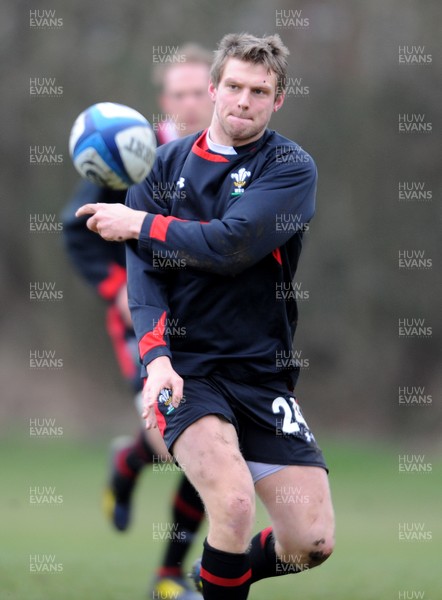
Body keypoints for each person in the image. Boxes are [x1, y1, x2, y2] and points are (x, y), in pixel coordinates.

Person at [76, 32, 335, 600]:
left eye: (259, 91)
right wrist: (158, 361)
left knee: (311, 541)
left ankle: (215, 575)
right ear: (215, 89)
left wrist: (138, 224)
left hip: (263, 374)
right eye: (235, 87)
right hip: (191, 370)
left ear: (278, 100)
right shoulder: (161, 167)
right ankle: (210, 578)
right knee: (233, 501)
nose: (244, 101)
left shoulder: (290, 167)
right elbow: (145, 282)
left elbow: (232, 245)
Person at [63, 44, 214, 600]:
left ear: (216, 93)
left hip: (203, 327)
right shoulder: (135, 149)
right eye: (180, 94)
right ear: (164, 101)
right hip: (143, 326)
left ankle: (167, 576)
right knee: (178, 444)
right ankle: (133, 463)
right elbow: (74, 228)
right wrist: (117, 290)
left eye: (201, 92)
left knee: (211, 448)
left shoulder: (228, 158)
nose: (192, 103)